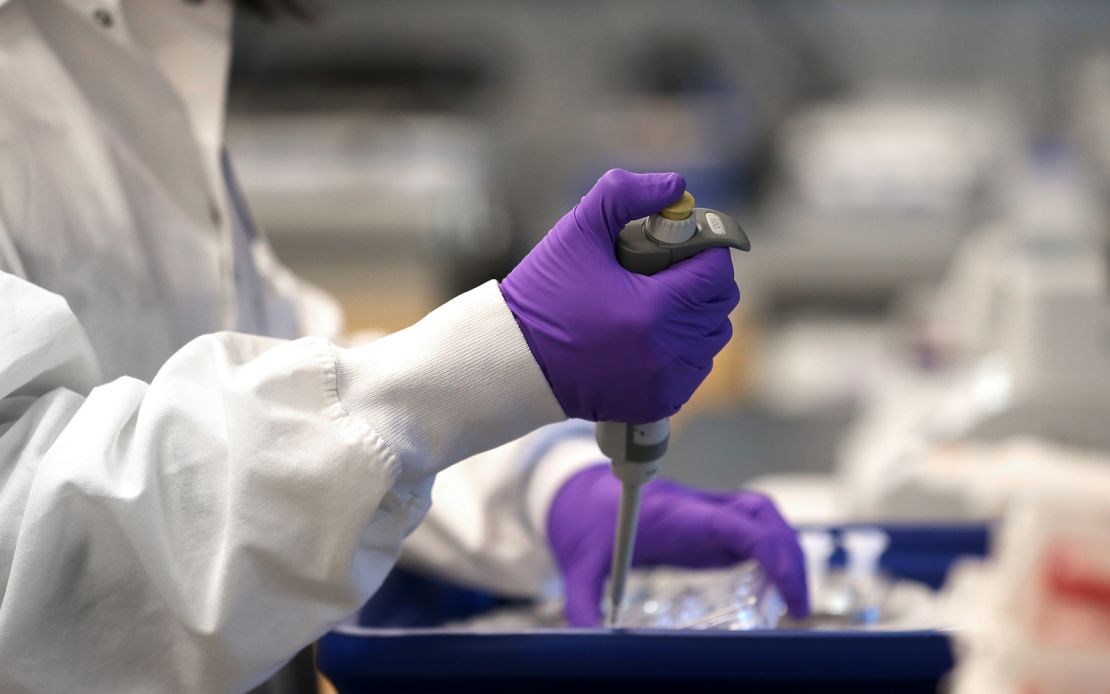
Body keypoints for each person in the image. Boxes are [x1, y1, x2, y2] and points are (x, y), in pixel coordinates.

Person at [0, 1, 808, 691]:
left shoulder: (140, 34)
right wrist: (493, 360)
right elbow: (32, 554)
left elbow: (288, 375)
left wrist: (541, 490)